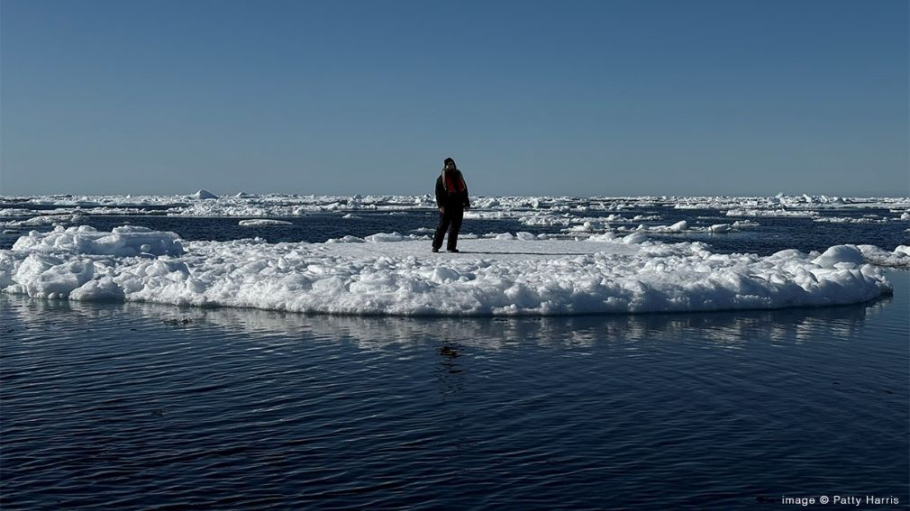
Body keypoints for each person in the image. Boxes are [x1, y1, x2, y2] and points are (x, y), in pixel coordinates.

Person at [432, 157, 470, 253]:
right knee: (442, 226)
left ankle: (451, 247)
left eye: (452, 164)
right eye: (449, 164)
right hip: (446, 205)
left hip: (458, 204)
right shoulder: (441, 179)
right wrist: (440, 206)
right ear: (445, 166)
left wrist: (466, 203)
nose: (451, 166)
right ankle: (436, 246)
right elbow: (438, 193)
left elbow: (464, 191)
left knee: (455, 227)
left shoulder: (459, 176)